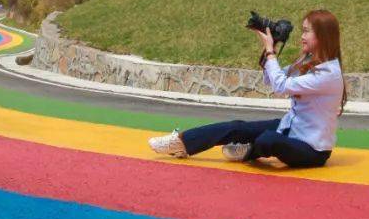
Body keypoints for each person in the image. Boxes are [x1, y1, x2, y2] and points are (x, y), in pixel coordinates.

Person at [147, 9, 346, 168]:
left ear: (323, 35)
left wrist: (270, 52)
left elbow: (280, 86)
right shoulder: (307, 62)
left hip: (312, 149)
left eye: (306, 31)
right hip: (290, 129)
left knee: (268, 140)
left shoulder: (328, 74)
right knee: (237, 127)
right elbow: (270, 78)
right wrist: (271, 48)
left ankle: (249, 150)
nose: (302, 36)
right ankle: (181, 142)